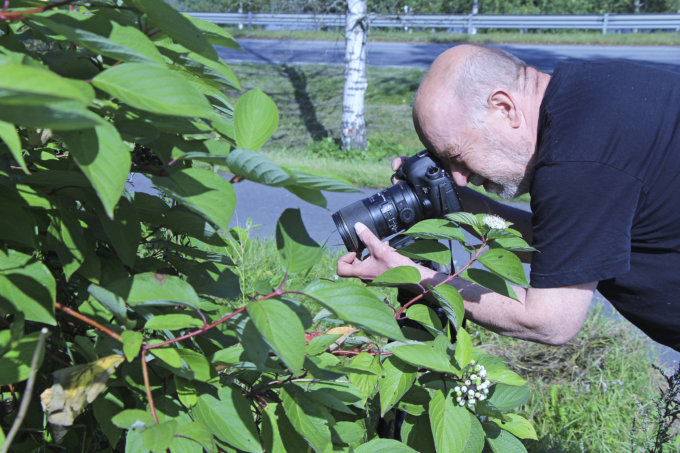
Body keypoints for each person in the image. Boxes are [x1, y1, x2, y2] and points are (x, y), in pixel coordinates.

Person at [337, 44, 680, 352]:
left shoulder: (576, 162)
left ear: (503, 107)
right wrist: (457, 202)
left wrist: (412, 276)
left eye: (457, 155)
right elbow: (566, 241)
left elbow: (549, 321)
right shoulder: (586, 96)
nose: (459, 175)